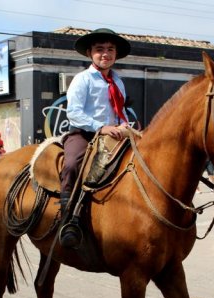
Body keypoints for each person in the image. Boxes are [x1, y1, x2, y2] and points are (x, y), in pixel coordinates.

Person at [58, 28, 131, 248]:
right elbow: (74, 112)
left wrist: (125, 124)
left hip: (115, 132)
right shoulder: (82, 79)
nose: (105, 54)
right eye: (100, 49)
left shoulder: (118, 81)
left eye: (110, 49)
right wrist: (101, 127)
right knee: (72, 164)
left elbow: (120, 109)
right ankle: (68, 219)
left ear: (116, 54)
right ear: (90, 53)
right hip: (84, 133)